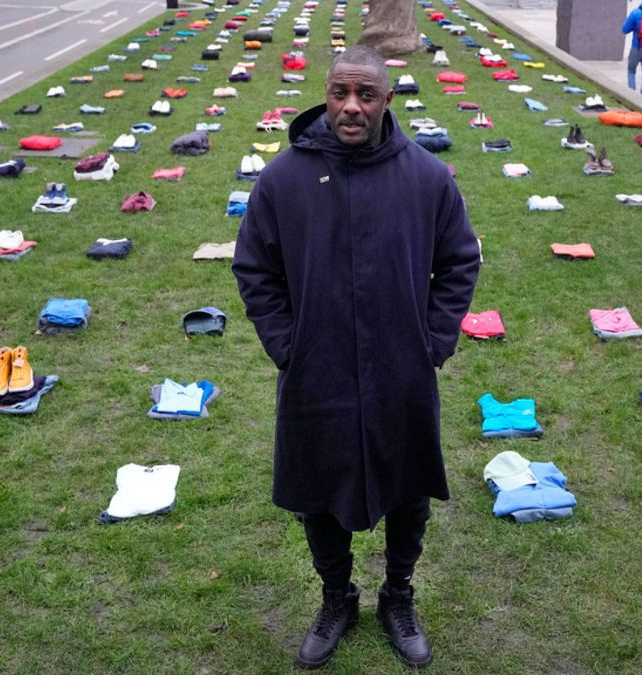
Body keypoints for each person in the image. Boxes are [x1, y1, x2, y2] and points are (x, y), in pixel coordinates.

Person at [232, 46, 480, 670]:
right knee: (318, 486)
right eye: (341, 92)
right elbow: (254, 267)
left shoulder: (425, 177)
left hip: (402, 364)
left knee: (408, 482)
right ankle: (336, 596)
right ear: (325, 92)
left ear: (386, 101)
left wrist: (434, 342)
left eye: (366, 95)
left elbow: (458, 262)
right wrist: (286, 344)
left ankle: (399, 595)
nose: (351, 106)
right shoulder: (284, 177)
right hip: (316, 367)